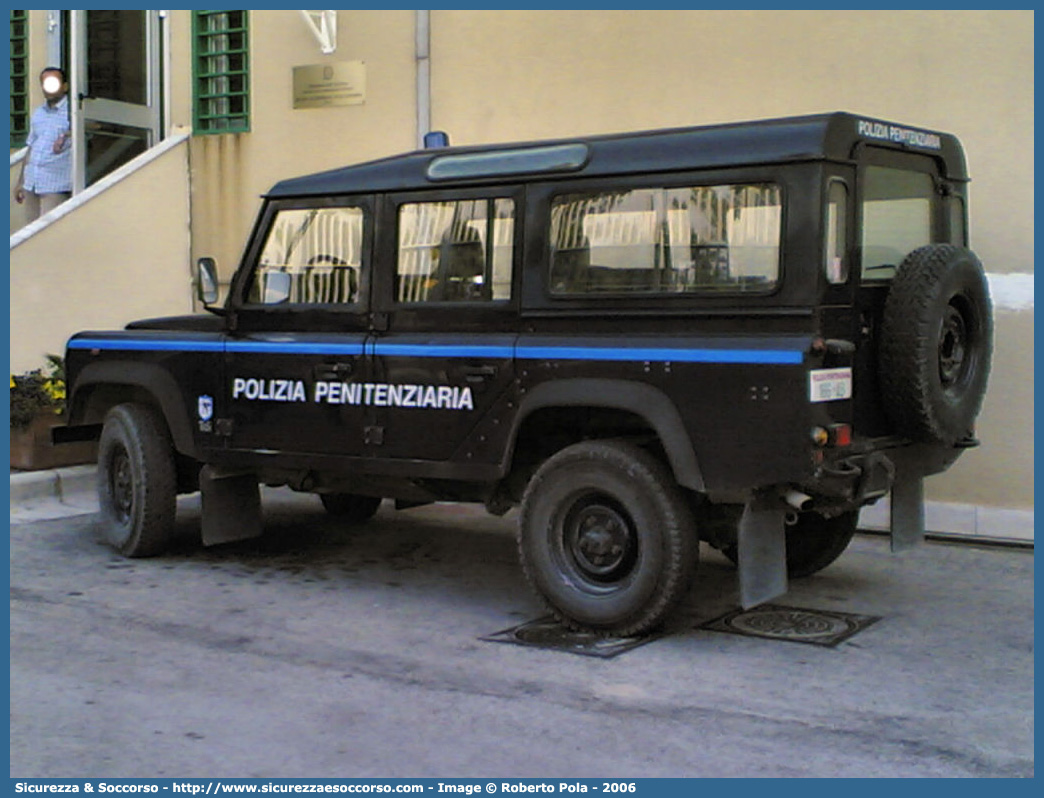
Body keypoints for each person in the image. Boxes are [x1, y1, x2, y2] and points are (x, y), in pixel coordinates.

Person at [14, 66, 72, 222]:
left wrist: (68, 134)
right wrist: (21, 182)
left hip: (56, 185)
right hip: (32, 183)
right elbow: (31, 147)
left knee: (51, 233)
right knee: (30, 233)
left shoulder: (73, 111)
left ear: (65, 86)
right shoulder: (39, 112)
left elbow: (96, 126)